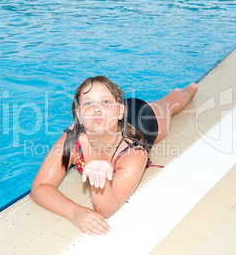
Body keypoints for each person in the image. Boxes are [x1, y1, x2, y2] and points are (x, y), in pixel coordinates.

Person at [31, 76, 198, 236]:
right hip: (118, 113)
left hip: (144, 118)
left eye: (105, 101)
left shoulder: (133, 153)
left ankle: (189, 89)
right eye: (88, 103)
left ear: (120, 112)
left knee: (167, 105)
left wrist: (99, 183)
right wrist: (76, 212)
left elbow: (106, 210)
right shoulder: (73, 138)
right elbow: (40, 186)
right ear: (79, 116)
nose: (97, 109)